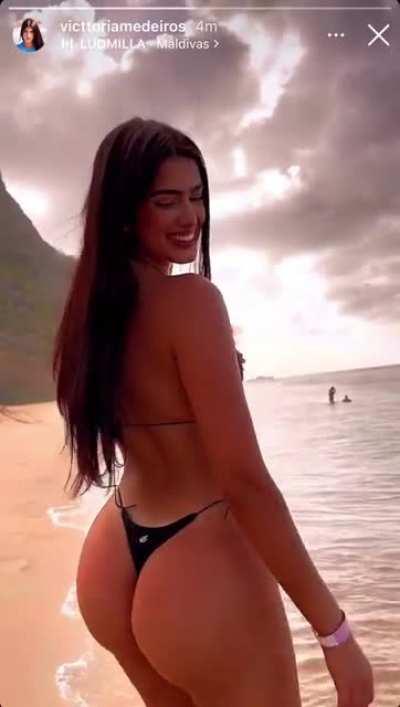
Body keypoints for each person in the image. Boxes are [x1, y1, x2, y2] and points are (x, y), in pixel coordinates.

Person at [53, 117, 374, 706]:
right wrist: (335, 633)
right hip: (195, 560)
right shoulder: (193, 301)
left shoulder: (90, 315)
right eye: (167, 201)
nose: (190, 217)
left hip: (113, 555)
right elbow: (245, 482)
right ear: (126, 209)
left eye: (197, 197)